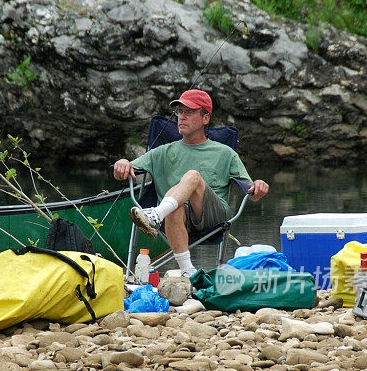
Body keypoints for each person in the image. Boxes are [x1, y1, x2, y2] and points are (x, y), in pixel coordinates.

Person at [113, 89, 269, 277]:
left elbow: (251, 193)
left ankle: (156, 214)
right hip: (173, 217)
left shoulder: (225, 153)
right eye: (179, 112)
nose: (181, 117)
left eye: (189, 112)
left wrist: (259, 186)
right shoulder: (162, 152)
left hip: (213, 218)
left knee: (193, 176)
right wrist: (121, 164)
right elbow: (124, 172)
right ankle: (188, 272)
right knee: (174, 206)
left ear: (205, 118)